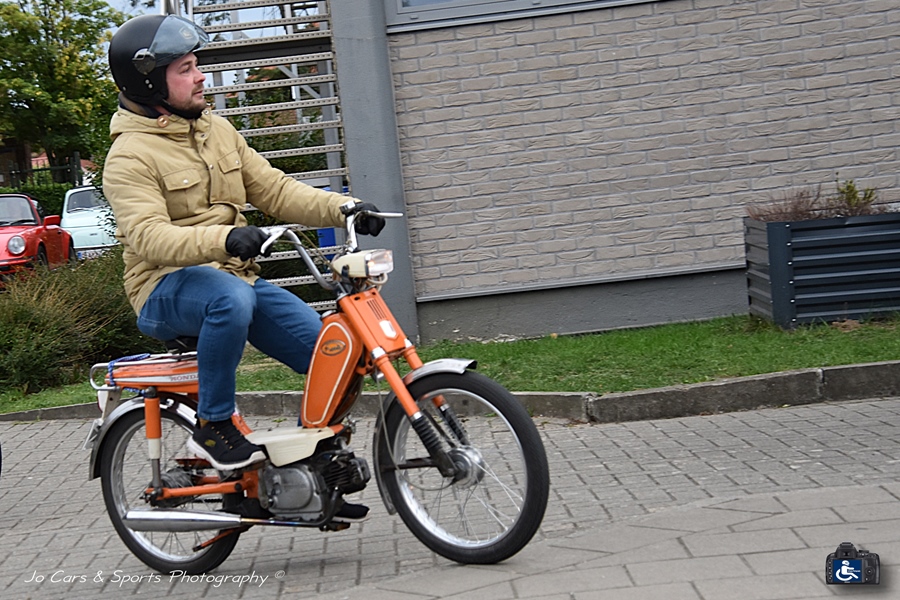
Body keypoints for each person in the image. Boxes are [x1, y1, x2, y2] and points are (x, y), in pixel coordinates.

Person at [103, 13, 384, 508]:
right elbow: (148, 238)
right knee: (228, 298)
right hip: (163, 288)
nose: (201, 77)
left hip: (235, 282)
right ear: (149, 83)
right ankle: (213, 424)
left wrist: (345, 208)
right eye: (186, 69)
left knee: (334, 357)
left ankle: (314, 466)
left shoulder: (216, 130)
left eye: (197, 65)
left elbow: (274, 189)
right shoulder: (129, 157)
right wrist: (226, 239)